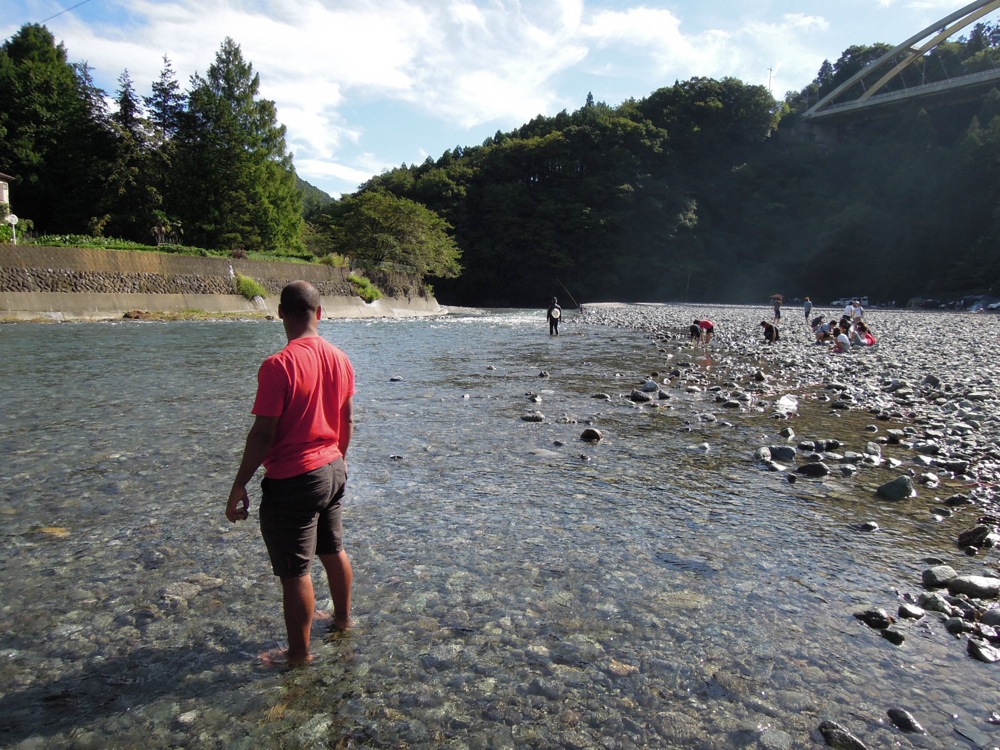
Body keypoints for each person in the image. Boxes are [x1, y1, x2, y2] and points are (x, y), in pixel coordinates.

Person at [226, 280, 356, 667]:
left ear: (280, 313)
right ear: (320, 313)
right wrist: (340, 459)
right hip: (332, 467)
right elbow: (346, 419)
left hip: (295, 477)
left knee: (295, 571)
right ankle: (343, 621)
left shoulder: (278, 365)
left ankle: (298, 656)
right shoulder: (341, 358)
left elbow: (264, 433)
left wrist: (239, 483)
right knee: (333, 548)